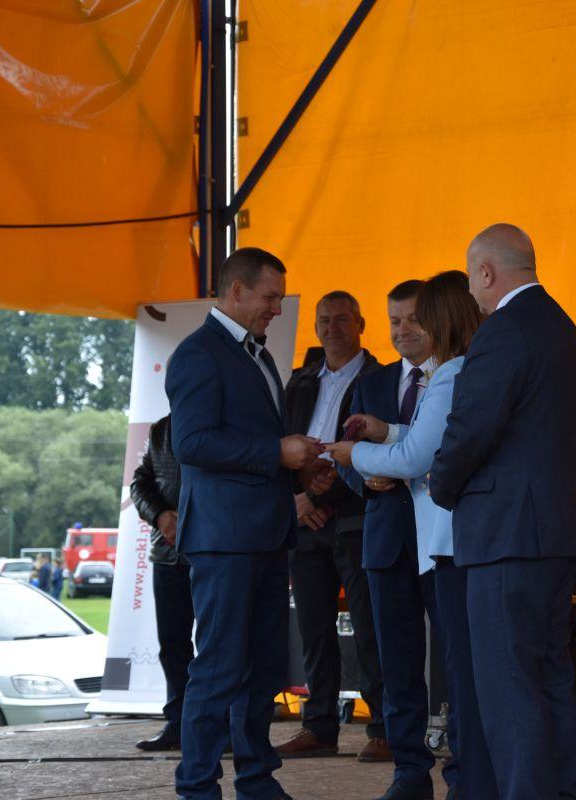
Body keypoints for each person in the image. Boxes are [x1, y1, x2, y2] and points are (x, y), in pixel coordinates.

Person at [429, 224, 576, 800]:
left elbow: (470, 427)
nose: (472, 292)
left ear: (486, 272)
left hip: (505, 534)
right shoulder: (567, 330)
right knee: (551, 679)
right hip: (556, 529)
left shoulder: (503, 331)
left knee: (508, 685)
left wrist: (440, 483)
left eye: (471, 278)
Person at [166, 246, 324, 800]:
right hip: (224, 538)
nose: (277, 308)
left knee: (263, 669)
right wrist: (276, 451)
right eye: (270, 297)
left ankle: (257, 781)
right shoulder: (198, 353)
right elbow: (190, 443)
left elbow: (247, 441)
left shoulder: (257, 355)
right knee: (219, 668)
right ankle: (197, 787)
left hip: (265, 533)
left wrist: (300, 468)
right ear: (236, 290)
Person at [329, 272, 494, 800]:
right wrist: (365, 474)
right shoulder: (373, 381)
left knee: (457, 662)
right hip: (387, 540)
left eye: (413, 319)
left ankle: (464, 772)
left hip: (444, 540)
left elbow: (417, 454)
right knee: (396, 665)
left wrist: (373, 455)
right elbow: (348, 458)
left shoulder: (452, 373)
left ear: (437, 319)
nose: (402, 330)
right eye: (394, 321)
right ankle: (408, 772)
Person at [276, 291, 390, 763]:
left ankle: (383, 728)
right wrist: (296, 499)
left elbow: (377, 454)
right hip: (305, 521)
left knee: (369, 628)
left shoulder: (380, 379)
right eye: (325, 320)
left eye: (342, 319)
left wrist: (317, 497)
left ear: (360, 324)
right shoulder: (299, 381)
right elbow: (277, 443)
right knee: (314, 629)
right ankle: (319, 726)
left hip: (356, 518)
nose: (333, 328)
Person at [129, 414, 194, 753]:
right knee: (172, 644)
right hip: (168, 555)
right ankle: (179, 723)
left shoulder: (223, 421)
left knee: (220, 645)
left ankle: (223, 725)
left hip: (216, 553)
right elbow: (139, 484)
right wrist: (160, 515)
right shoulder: (161, 430)